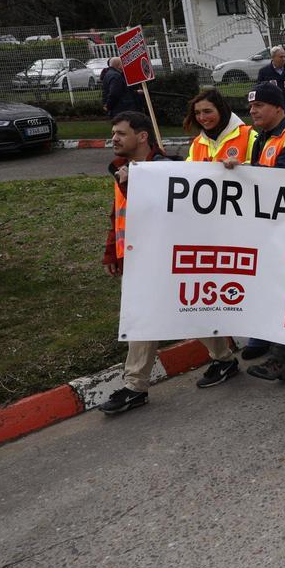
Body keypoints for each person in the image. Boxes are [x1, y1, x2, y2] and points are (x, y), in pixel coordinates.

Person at [97, 112, 243, 414]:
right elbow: (120, 214)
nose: (114, 138)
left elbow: (159, 208)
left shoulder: (166, 170)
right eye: (113, 133)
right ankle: (137, 385)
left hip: (165, 257)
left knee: (187, 310)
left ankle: (222, 361)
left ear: (142, 137)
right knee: (147, 317)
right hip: (138, 258)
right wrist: (112, 251)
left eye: (121, 133)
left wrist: (130, 183)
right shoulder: (124, 169)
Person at [225, 82, 285, 379]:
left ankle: (281, 358)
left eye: (259, 105)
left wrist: (244, 171)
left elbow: (283, 180)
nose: (253, 111)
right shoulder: (262, 138)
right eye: (251, 106)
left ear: (278, 108)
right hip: (273, 227)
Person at [256, 46, 285, 116]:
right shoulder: (264, 72)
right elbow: (260, 90)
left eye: (284, 56)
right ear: (273, 57)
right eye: (281, 57)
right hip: (273, 109)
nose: (283, 59)